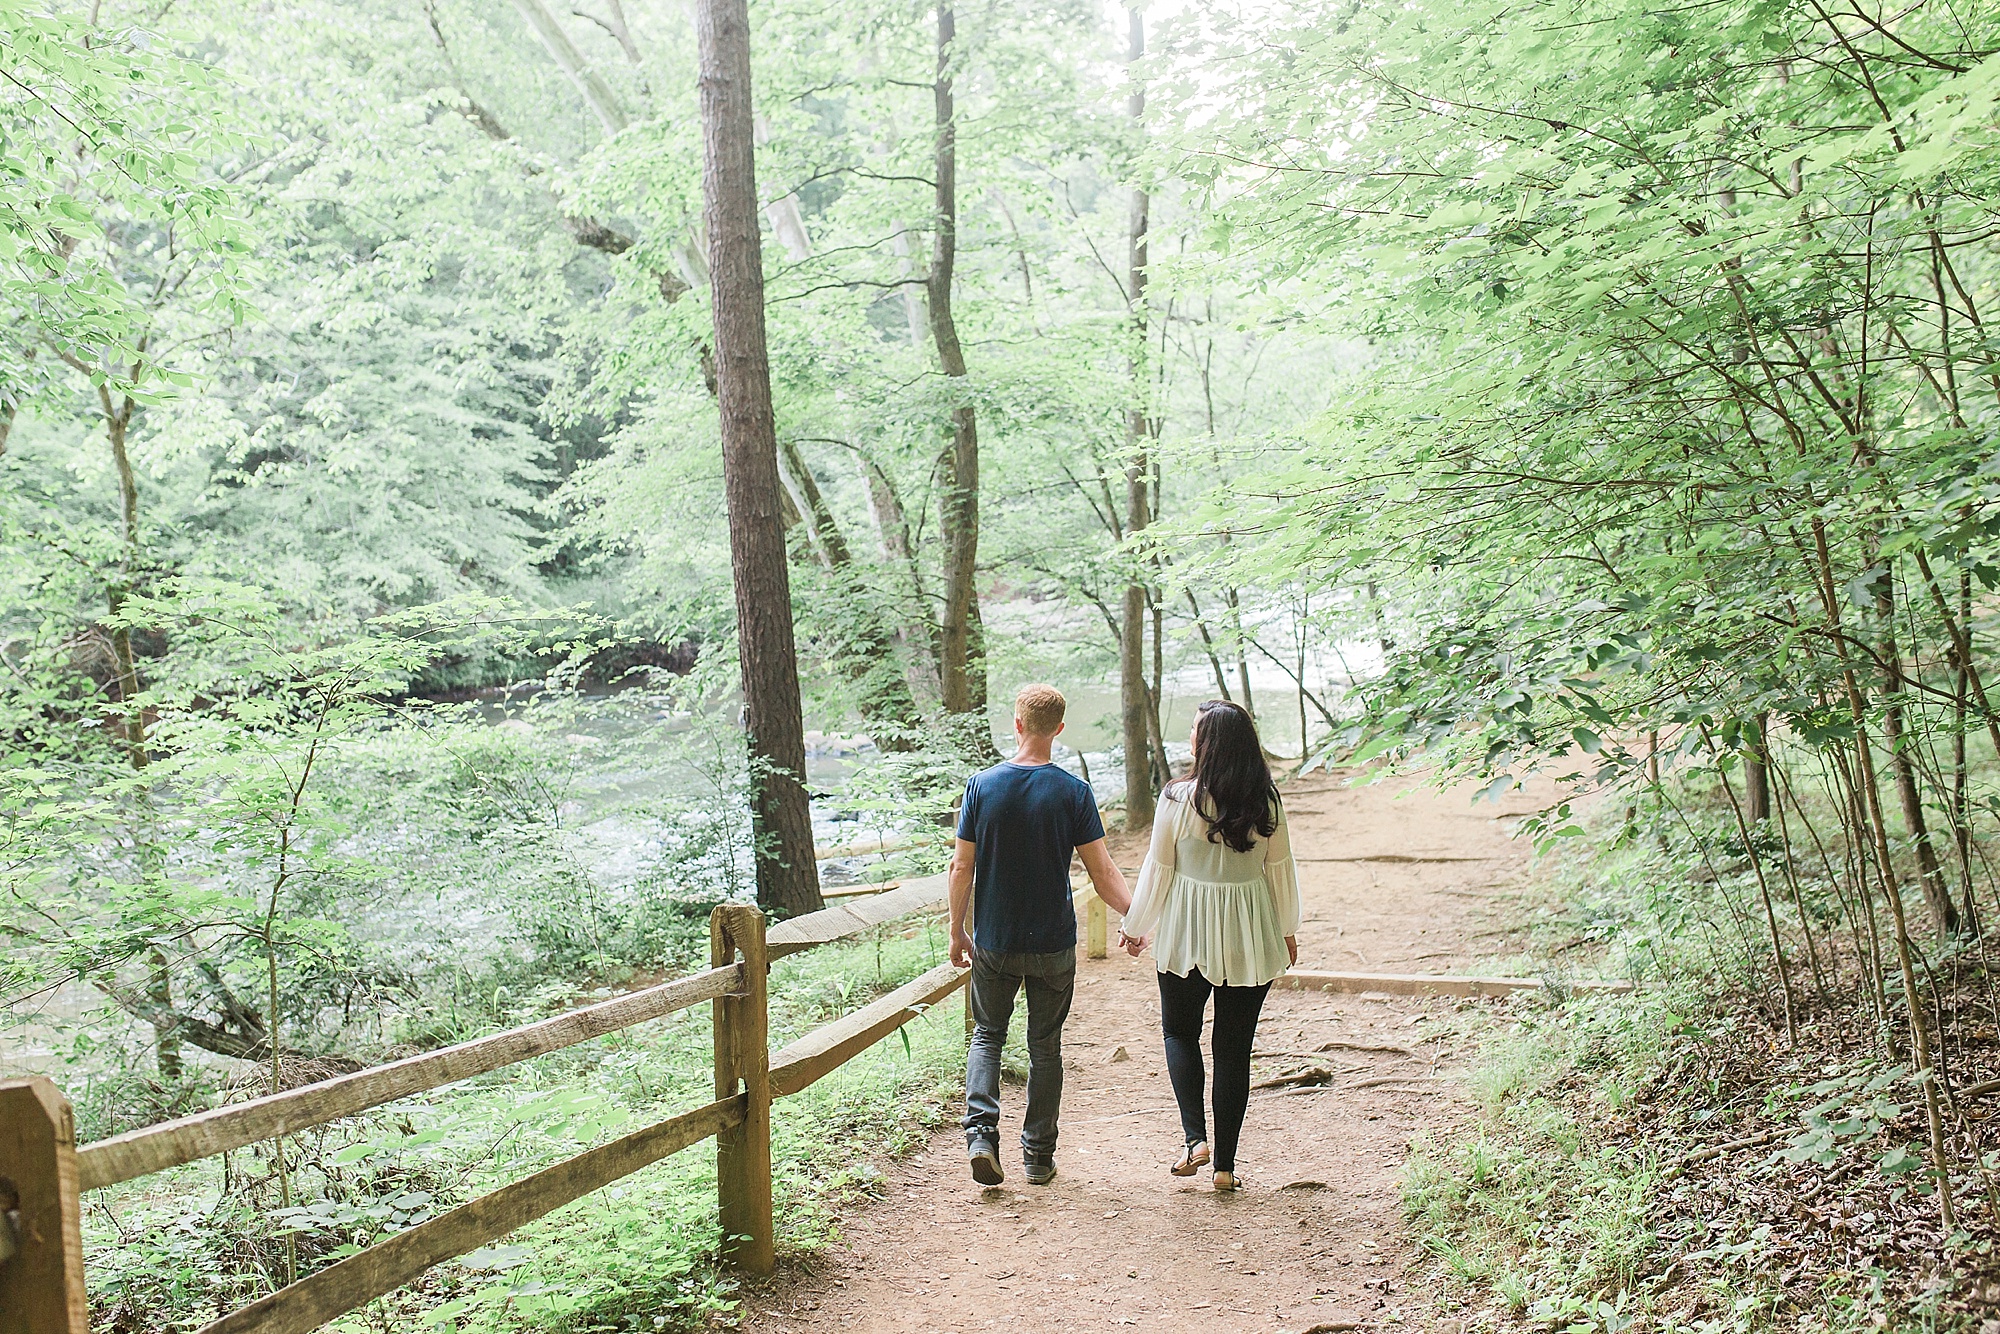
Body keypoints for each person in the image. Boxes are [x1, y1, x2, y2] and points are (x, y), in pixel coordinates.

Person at [949, 683, 1131, 1187]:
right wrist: (1134, 919)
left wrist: (957, 931)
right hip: (1052, 944)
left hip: (995, 940)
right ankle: (1037, 1157)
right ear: (1059, 730)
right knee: (1045, 1046)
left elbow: (961, 867)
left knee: (987, 1036)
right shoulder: (1074, 792)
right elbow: (1104, 873)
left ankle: (982, 1138)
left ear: (1018, 724)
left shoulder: (981, 787)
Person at [1119, 699, 1299, 1192]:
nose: (1191, 739)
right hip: (1249, 930)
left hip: (1186, 930)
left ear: (1209, 744)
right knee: (1234, 1049)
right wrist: (1286, 930)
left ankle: (1194, 1138)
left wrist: (1137, 924)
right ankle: (1225, 1167)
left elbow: (1159, 869)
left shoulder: (1177, 799)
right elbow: (1279, 871)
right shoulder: (1268, 800)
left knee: (1179, 1033)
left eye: (1196, 732)